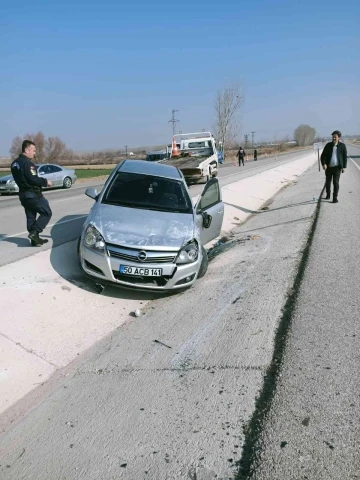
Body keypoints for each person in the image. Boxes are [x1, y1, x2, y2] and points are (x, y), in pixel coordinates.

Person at [11, 140, 53, 246]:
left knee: (31, 217)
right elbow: (33, 179)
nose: (35, 153)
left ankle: (35, 241)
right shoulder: (28, 163)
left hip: (23, 195)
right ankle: (35, 233)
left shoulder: (14, 164)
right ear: (26, 150)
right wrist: (45, 182)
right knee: (46, 213)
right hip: (33, 194)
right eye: (33, 150)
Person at [320, 130, 347, 203]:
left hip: (337, 168)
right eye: (333, 137)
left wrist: (344, 167)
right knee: (328, 182)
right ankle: (328, 195)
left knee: (336, 183)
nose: (334, 138)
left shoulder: (342, 146)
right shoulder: (328, 145)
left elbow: (344, 157)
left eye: (335, 137)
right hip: (328, 168)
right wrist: (323, 164)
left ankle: (335, 198)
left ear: (339, 138)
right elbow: (322, 156)